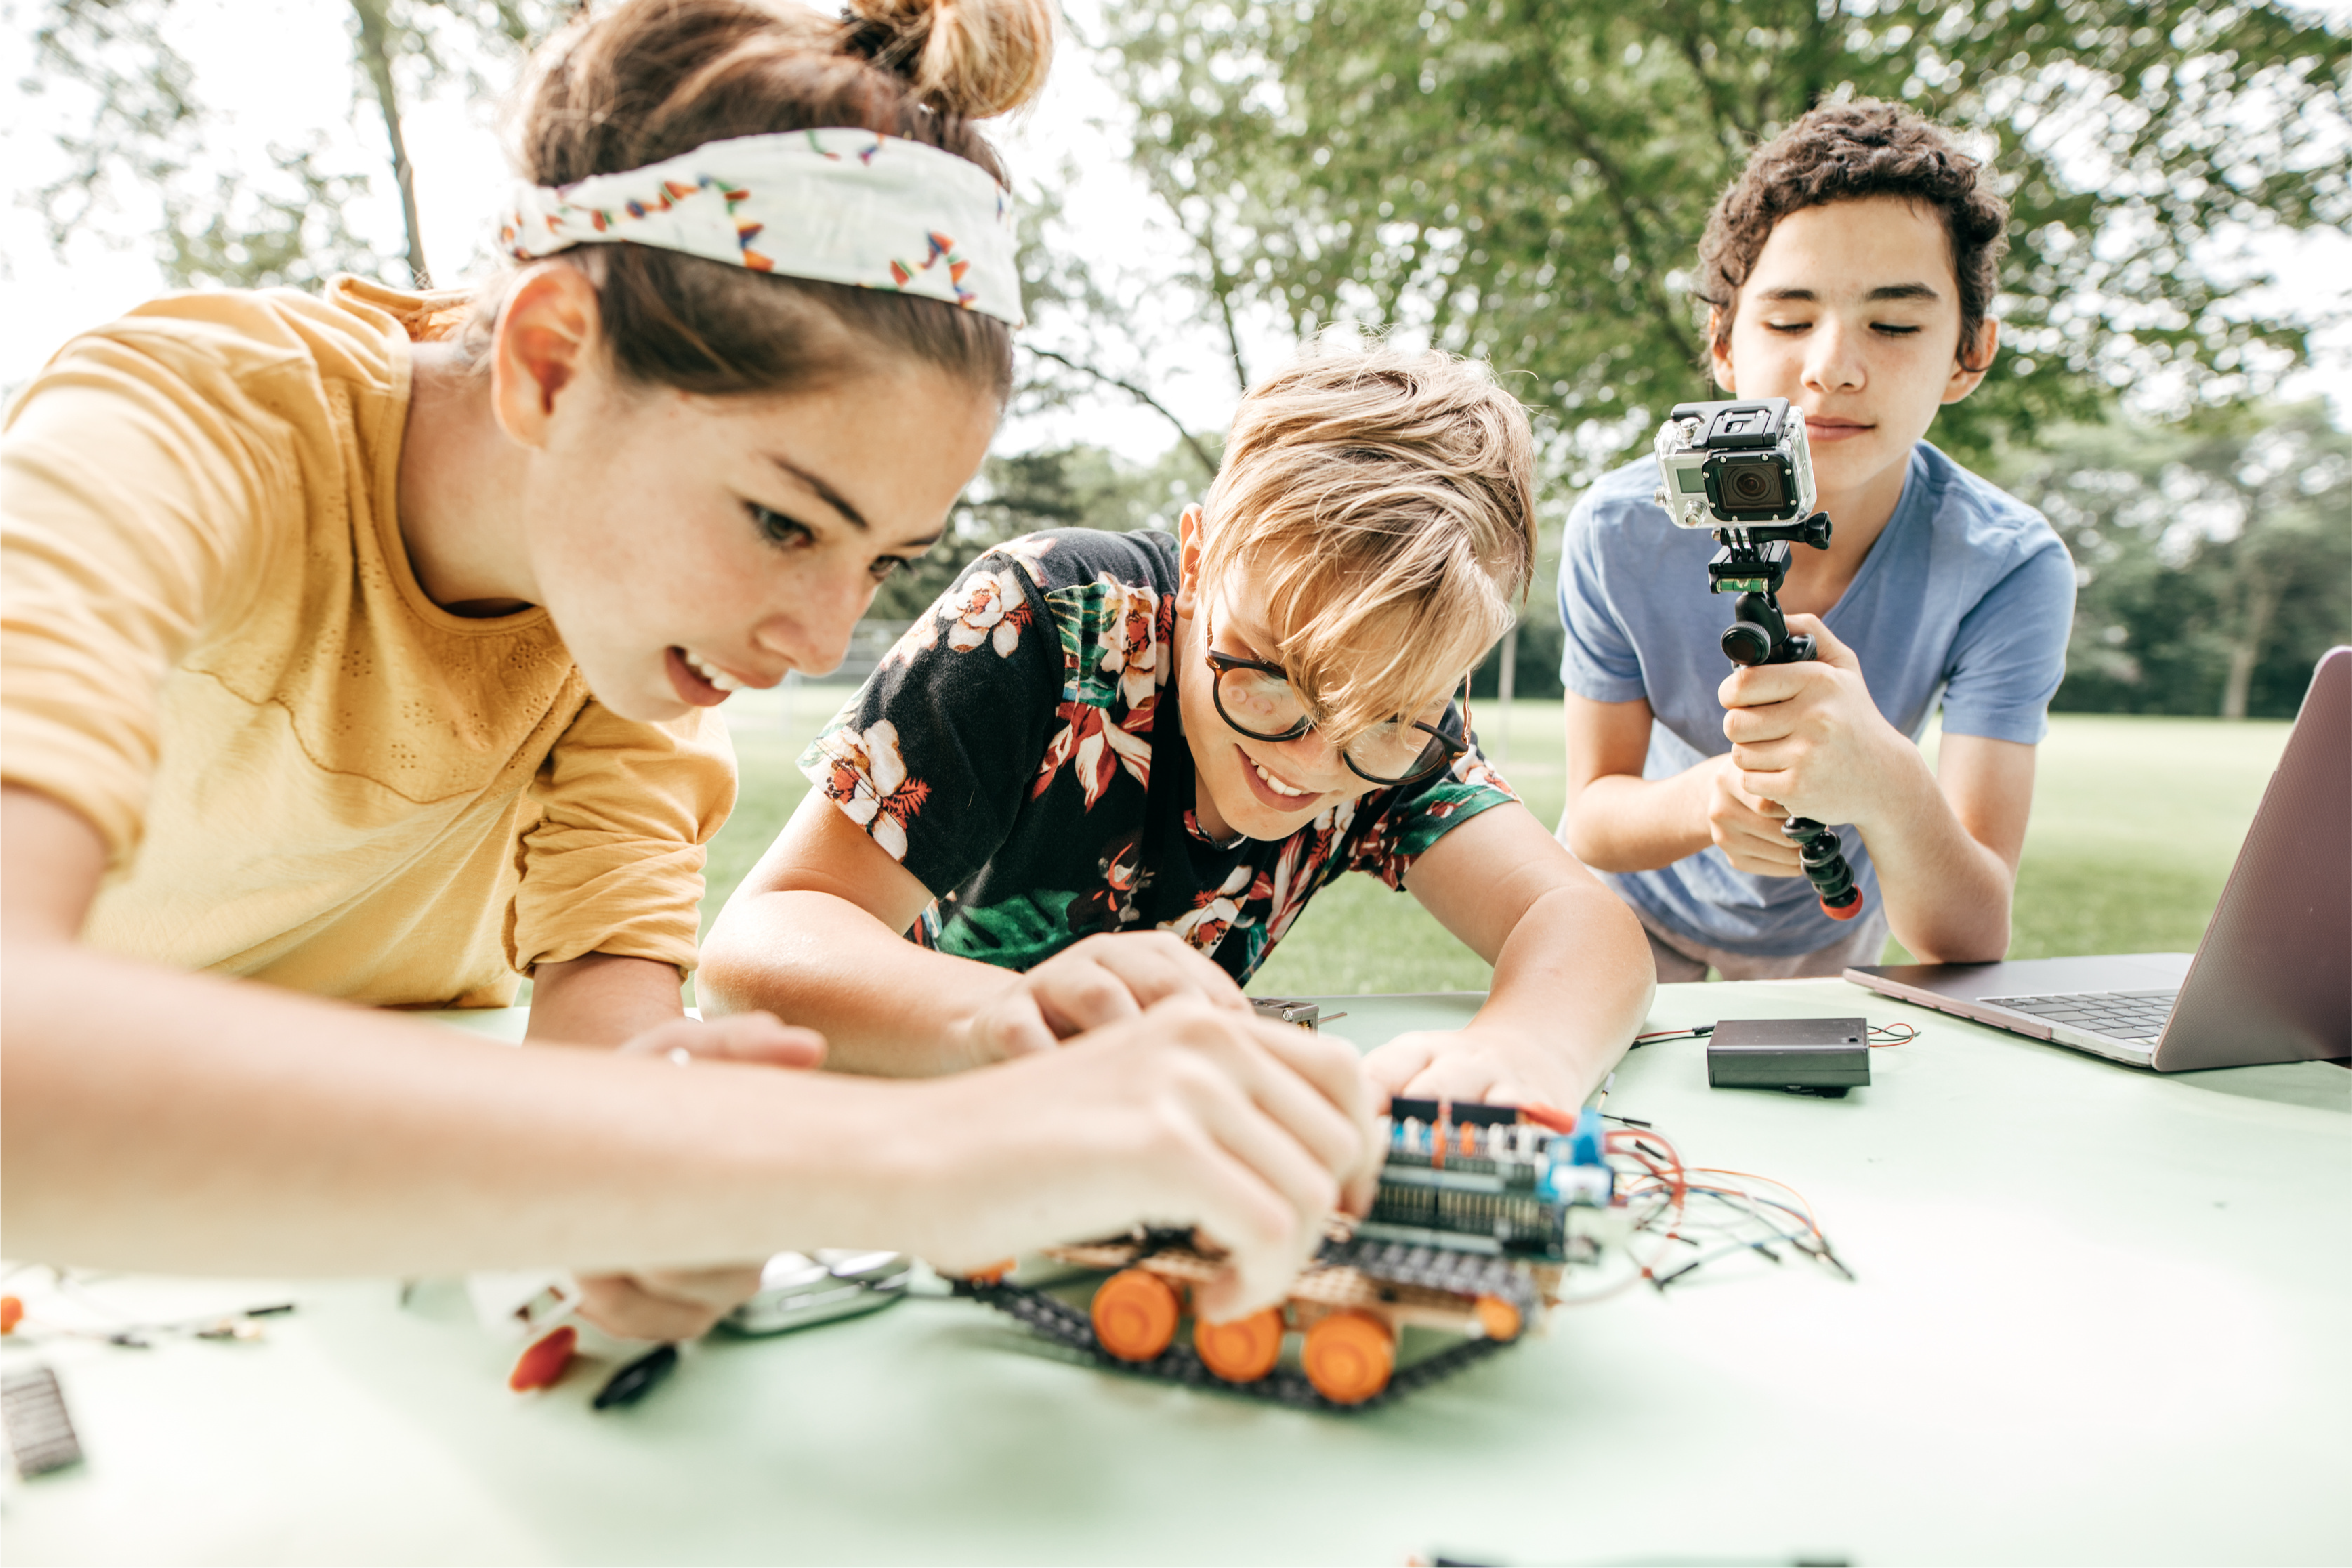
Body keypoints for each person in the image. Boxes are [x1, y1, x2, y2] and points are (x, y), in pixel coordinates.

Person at [1, 0, 1379, 1340]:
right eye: (783, 519)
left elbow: (608, 1072)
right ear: (550, 361)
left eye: (880, 555)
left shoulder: (638, 646)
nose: (817, 633)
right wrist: (902, 1157)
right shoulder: (186, 423)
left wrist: (653, 1208)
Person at [701, 347, 1655, 1111]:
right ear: (1197, 563)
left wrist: (1524, 1051)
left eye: (1387, 720)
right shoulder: (1042, 619)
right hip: (893, 1133)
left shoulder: (1397, 728)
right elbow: (757, 945)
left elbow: (1581, 922)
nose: (1313, 761)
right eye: (1272, 676)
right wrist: (1014, 1015)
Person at [1555, 101, 2076, 981]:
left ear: (1970, 353)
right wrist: (1708, 799)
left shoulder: (2009, 566)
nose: (1831, 366)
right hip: (1628, 911)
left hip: (1828, 933)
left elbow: (1969, 934)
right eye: (1790, 321)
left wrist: (1888, 778)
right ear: (1723, 344)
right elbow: (1592, 814)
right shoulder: (1620, 529)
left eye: (1897, 324)